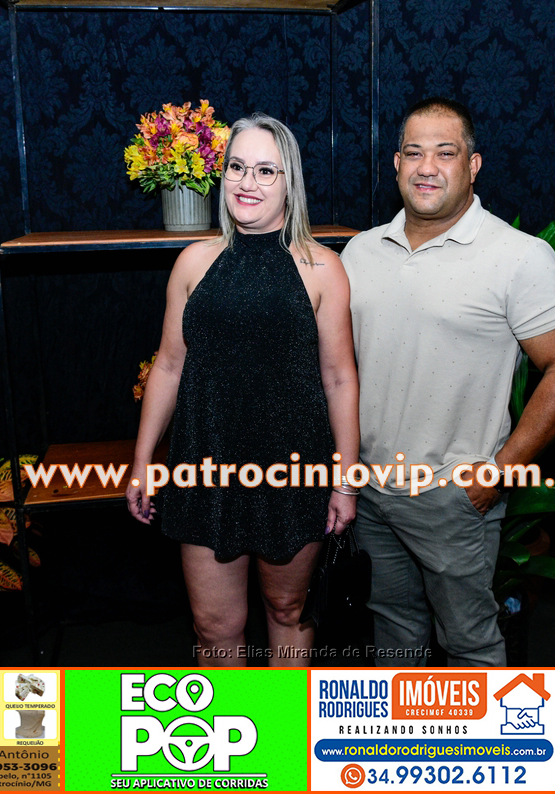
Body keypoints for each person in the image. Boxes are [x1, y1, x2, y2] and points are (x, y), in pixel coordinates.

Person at [340, 97, 555, 666]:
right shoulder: (361, 251)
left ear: (473, 166)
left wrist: (498, 474)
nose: (427, 167)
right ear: (396, 165)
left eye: (445, 153)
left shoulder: (518, 257)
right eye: (414, 153)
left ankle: (482, 729)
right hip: (372, 492)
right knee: (394, 637)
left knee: (470, 645)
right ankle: (402, 729)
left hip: (452, 499)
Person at [126, 113, 359, 667]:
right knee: (214, 626)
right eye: (236, 167)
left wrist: (346, 481)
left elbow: (340, 379)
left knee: (287, 610)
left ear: (289, 182)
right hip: (205, 467)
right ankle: (229, 723)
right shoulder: (193, 262)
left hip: (293, 471)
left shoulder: (323, 268)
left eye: (265, 170)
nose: (247, 182)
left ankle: (280, 723)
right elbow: (168, 367)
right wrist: (142, 461)